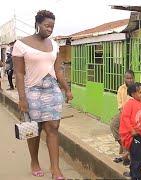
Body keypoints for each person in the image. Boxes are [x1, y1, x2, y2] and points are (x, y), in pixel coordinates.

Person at [12, 10, 73, 180]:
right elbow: (19, 74)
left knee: (53, 128)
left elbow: (58, 70)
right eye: (47, 25)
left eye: (52, 26)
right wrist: (22, 98)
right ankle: (34, 162)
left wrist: (67, 89)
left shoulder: (54, 45)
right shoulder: (21, 44)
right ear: (37, 24)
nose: (50, 29)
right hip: (32, 91)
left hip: (52, 90)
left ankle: (56, 169)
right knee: (34, 130)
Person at [120, 82, 141, 179]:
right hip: (135, 135)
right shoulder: (129, 104)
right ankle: (135, 176)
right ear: (133, 94)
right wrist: (132, 130)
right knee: (137, 157)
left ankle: (135, 173)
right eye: (139, 92)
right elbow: (125, 118)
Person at [110, 70, 134, 166]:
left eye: (131, 78)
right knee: (113, 125)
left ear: (134, 78)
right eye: (127, 78)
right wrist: (123, 115)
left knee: (128, 129)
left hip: (133, 115)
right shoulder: (121, 89)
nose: (129, 80)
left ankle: (126, 154)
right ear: (124, 78)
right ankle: (125, 149)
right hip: (123, 113)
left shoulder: (136, 89)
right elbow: (120, 105)